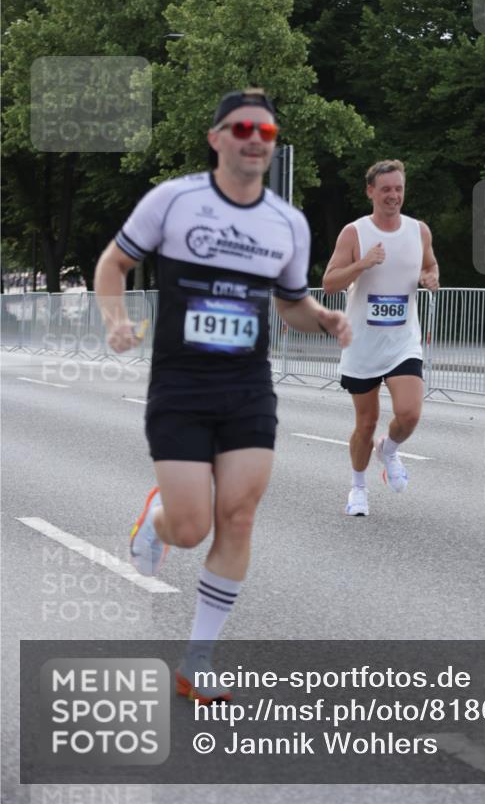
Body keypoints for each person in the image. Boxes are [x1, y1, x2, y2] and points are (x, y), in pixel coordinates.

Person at [94, 88, 350, 702]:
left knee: (237, 516)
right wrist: (114, 320)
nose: (256, 138)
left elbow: (290, 306)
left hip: (247, 387)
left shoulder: (287, 223)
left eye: (265, 129)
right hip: (181, 386)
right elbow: (112, 264)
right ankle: (156, 522)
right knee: (190, 529)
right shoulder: (174, 201)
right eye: (242, 128)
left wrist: (327, 318)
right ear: (217, 139)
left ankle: (197, 663)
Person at [322, 160, 439, 517]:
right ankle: (358, 488)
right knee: (366, 423)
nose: (393, 196)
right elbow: (329, 283)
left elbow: (430, 265)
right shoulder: (353, 233)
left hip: (403, 340)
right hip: (362, 343)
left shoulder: (419, 231)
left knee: (409, 414)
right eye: (386, 189)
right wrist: (362, 264)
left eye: (398, 189)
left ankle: (388, 450)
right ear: (370, 191)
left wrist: (431, 278)